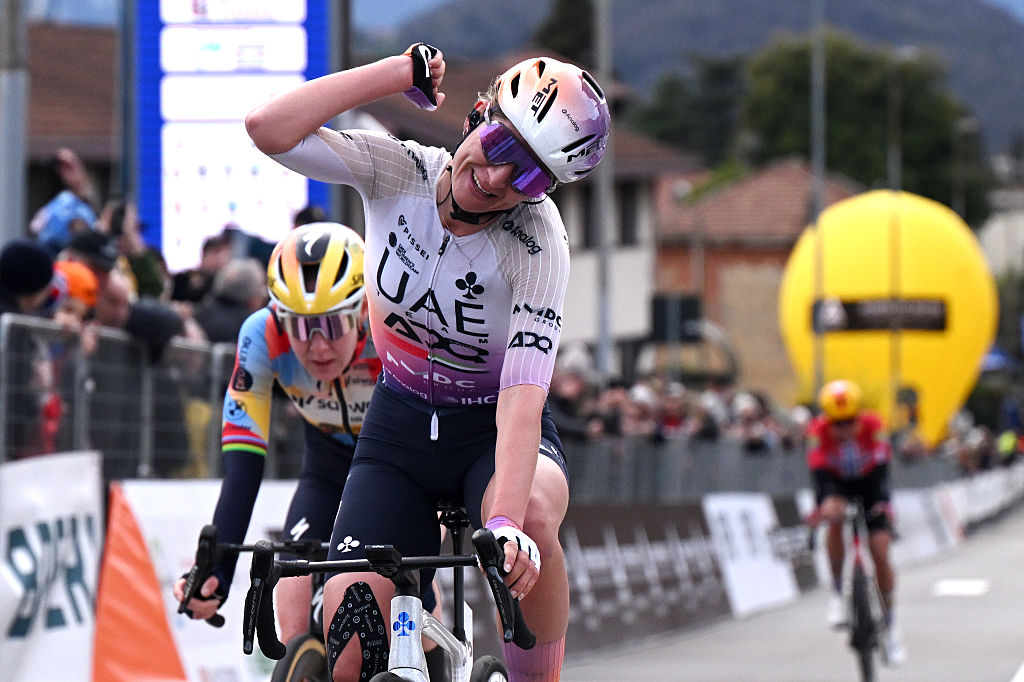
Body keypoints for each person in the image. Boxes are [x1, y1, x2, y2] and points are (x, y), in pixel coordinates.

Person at [245, 43, 609, 682]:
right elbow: (268, 130)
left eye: (528, 175)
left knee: (529, 521)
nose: (497, 179)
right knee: (350, 643)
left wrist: (501, 525)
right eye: (500, 146)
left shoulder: (539, 240)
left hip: (489, 434)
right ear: (478, 114)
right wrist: (395, 75)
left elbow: (523, 399)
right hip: (399, 427)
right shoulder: (399, 170)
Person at [173, 223, 444, 678]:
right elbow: (243, 462)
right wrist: (217, 564)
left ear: (362, 310)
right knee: (292, 588)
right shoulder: (260, 336)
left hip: (401, 465)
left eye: (333, 324)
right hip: (327, 464)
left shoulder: (393, 330)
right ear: (277, 315)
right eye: (300, 326)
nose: (317, 346)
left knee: (409, 610)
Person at [807, 379, 905, 665]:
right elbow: (819, 476)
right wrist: (821, 507)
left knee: (880, 548)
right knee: (834, 516)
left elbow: (883, 470)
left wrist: (884, 504)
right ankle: (838, 592)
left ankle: (891, 624)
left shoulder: (875, 426)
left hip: (870, 484)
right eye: (837, 423)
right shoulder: (818, 431)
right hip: (838, 484)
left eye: (849, 422)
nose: (844, 429)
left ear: (859, 416)